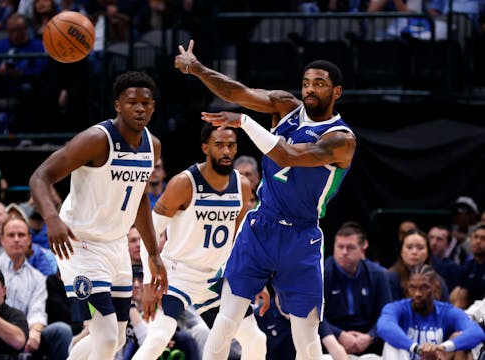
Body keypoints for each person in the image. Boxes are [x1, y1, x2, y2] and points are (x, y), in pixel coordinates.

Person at [174, 40, 356, 360]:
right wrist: (196, 67)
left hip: (301, 236)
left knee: (307, 338)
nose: (310, 89)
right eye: (306, 83)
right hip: (261, 225)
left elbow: (286, 154)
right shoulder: (285, 106)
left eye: (319, 84)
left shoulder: (340, 140)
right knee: (226, 321)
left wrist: (244, 122)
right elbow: (237, 92)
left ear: (336, 92)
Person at [29, 70, 168, 360]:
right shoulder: (96, 139)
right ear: (117, 105)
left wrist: (153, 254)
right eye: (132, 102)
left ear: (153, 106)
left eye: (146, 102)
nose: (140, 108)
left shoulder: (152, 146)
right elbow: (40, 176)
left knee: (115, 340)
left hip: (116, 245)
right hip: (80, 245)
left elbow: (140, 199)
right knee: (104, 338)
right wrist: (52, 218)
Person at [134, 122, 266, 360]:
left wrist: (254, 280)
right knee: (158, 337)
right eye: (219, 145)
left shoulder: (243, 187)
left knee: (256, 340)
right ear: (205, 148)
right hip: (177, 275)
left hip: (215, 278)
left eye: (231, 145)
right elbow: (150, 232)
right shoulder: (184, 183)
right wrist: (148, 281)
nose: (226, 151)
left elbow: (238, 241)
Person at [0, 216, 73, 359]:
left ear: (29, 239)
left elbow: (37, 312)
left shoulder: (38, 278)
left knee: (61, 331)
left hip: (23, 335)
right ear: (2, 239)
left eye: (21, 235)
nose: (16, 239)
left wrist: (35, 331)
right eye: (11, 235)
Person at [377, 264, 485, 360]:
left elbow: (476, 332)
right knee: (391, 343)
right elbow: (383, 327)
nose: (417, 294)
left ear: (436, 288)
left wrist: (443, 347)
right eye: (413, 288)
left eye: (424, 288)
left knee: (465, 343)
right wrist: (417, 348)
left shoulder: (447, 312)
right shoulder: (397, 308)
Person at [320, 221, 392, 359]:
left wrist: (371, 336)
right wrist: (338, 334)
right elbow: (316, 315)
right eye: (340, 247)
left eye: (350, 247)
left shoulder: (378, 274)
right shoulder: (323, 273)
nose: (344, 252)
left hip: (369, 343)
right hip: (331, 342)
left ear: (363, 248)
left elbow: (387, 313)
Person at [387, 228, 451, 302]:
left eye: (420, 248)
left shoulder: (438, 280)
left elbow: (447, 309)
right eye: (409, 247)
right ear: (401, 252)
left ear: (428, 253)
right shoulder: (390, 278)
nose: (414, 252)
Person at [450, 223, 485, 310]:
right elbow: (462, 298)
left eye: (483, 238)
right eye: (476, 237)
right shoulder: (468, 266)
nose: (478, 241)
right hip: (471, 314)